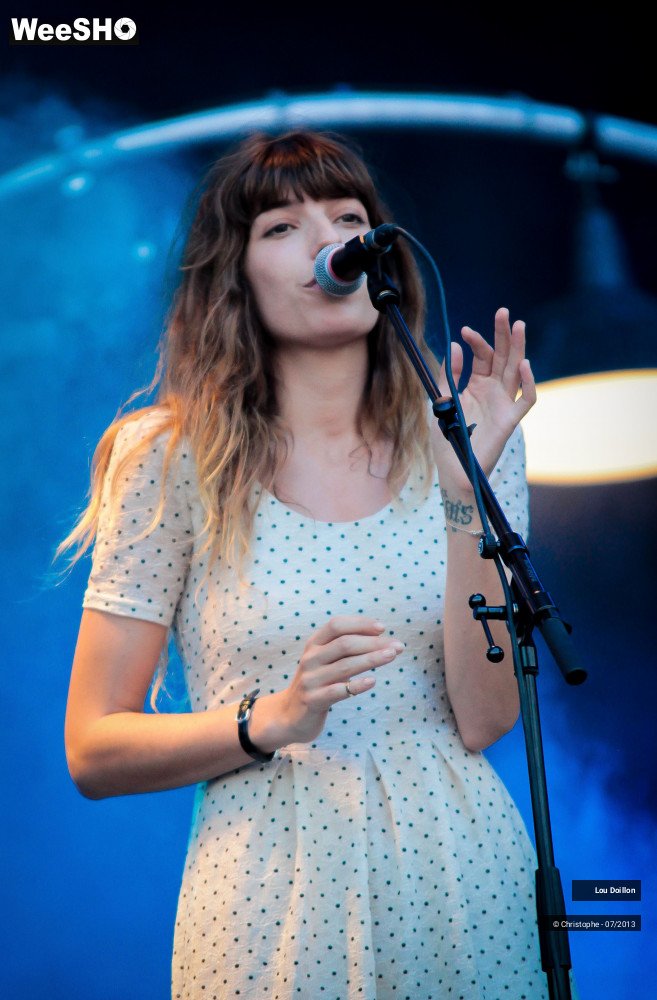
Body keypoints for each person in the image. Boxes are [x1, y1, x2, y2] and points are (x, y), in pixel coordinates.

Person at [59, 129, 548, 999]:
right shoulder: (166, 459)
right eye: (282, 226)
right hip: (265, 891)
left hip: (459, 871)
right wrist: (269, 719)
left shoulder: (468, 438)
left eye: (348, 216)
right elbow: (94, 747)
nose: (330, 241)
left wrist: (461, 493)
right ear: (233, 275)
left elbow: (484, 720)